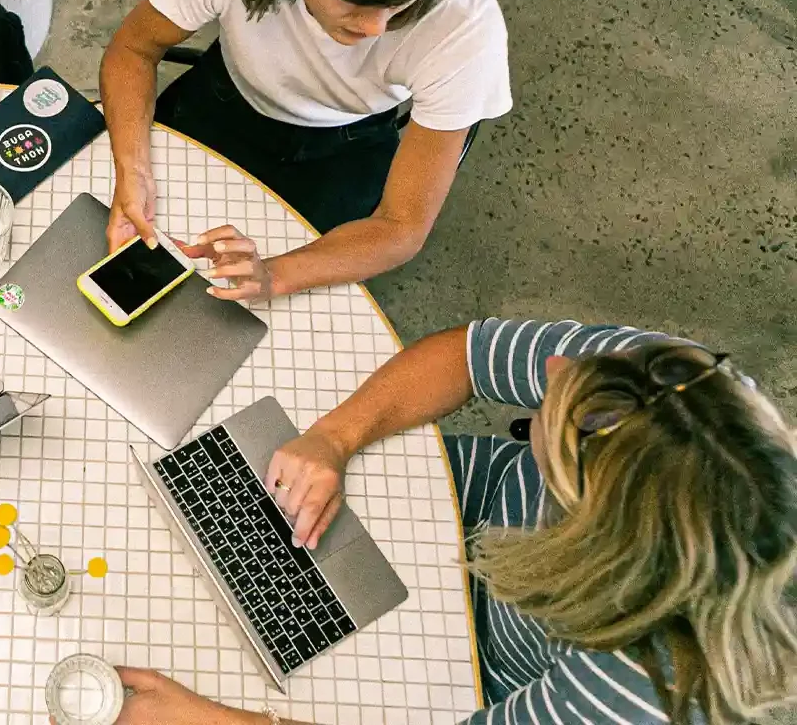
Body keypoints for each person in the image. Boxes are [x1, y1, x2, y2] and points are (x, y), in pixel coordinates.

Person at [105, 306, 797, 723]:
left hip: (473, 677)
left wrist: (212, 721)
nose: (554, 366)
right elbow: (468, 354)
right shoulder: (678, 387)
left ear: (595, 540)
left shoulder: (646, 693)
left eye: (562, 427)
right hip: (461, 504)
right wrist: (334, 437)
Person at [100, 0, 511, 301]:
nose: (376, 28)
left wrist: (274, 274)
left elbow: (401, 226)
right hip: (221, 103)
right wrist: (132, 169)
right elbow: (133, 50)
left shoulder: (464, 23)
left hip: (344, 150)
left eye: (404, 1)